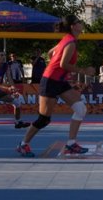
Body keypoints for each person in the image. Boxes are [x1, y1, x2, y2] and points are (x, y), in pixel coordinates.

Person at [17, 15, 95, 158]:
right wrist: (84, 71)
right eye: (78, 22)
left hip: (59, 80)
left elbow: (50, 53)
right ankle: (23, 145)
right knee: (44, 119)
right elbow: (63, 64)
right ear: (73, 26)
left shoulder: (67, 40)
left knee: (80, 109)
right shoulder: (70, 42)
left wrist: (55, 63)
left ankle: (71, 144)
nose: (81, 23)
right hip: (50, 81)